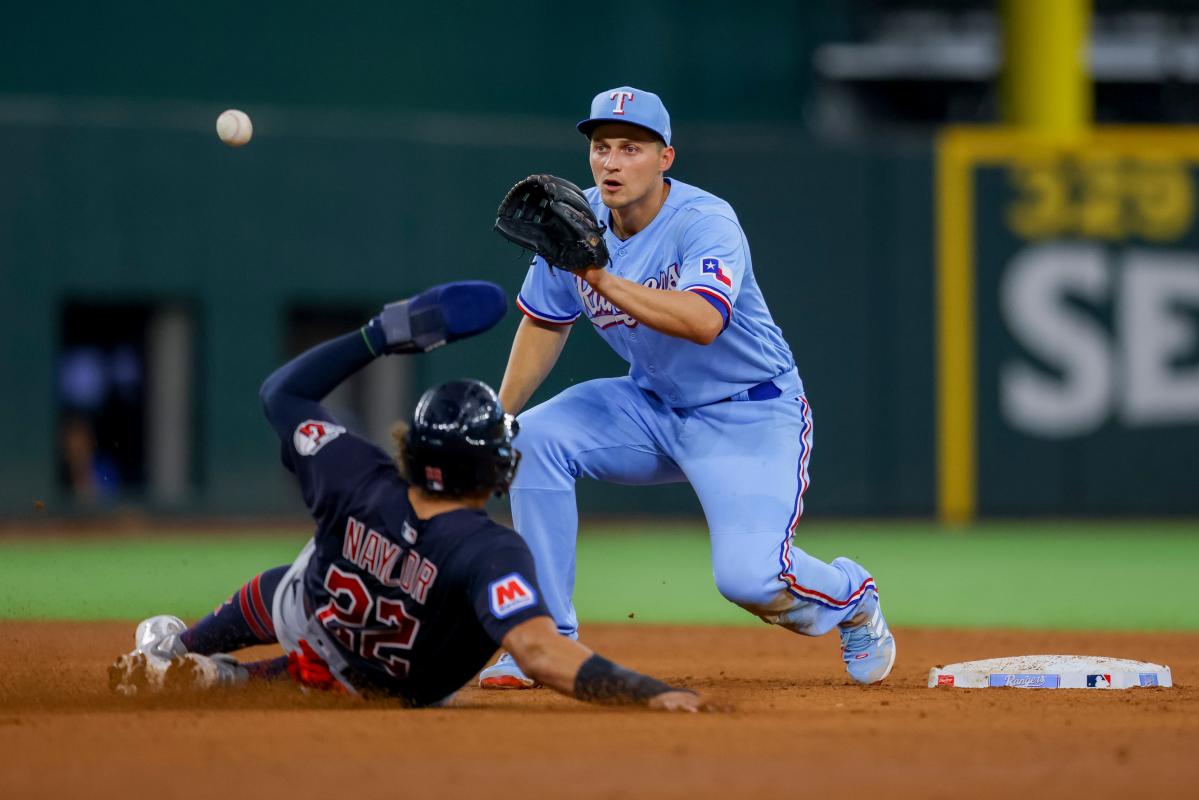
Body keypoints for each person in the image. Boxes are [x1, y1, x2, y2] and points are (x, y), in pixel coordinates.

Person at [108, 281, 702, 711]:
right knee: (349, 670)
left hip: (318, 619)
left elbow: (282, 393)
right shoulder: (490, 553)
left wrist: (380, 335)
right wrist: (648, 692)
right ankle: (219, 677)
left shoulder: (355, 474)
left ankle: (178, 649)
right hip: (389, 686)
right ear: (496, 465)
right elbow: (541, 653)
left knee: (286, 584)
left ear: (413, 450)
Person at [479, 87, 896, 689]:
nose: (612, 162)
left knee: (750, 581)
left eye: (631, 147)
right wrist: (500, 416)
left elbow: (702, 322)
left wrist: (594, 273)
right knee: (532, 439)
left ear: (665, 157)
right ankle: (545, 639)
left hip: (749, 413)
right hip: (649, 406)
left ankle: (853, 597)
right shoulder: (575, 222)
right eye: (601, 147)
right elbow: (546, 322)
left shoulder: (705, 221)